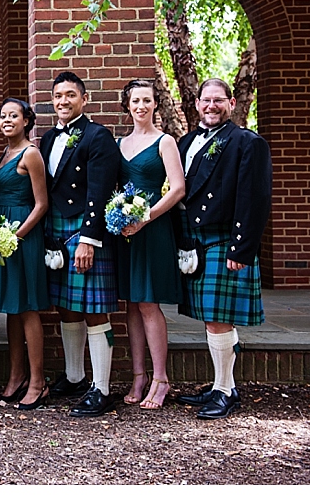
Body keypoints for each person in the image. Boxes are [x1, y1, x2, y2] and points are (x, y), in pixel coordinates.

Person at [174, 78, 272, 420]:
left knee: (219, 318)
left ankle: (226, 390)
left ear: (231, 103)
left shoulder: (246, 142)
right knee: (210, 317)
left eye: (219, 100)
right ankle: (219, 385)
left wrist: (241, 249)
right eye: (206, 100)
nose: (211, 106)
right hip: (195, 239)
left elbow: (254, 199)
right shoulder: (186, 142)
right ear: (197, 104)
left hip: (225, 239)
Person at [39, 71, 121, 418]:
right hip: (57, 230)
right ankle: (74, 376)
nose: (63, 101)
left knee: (93, 308)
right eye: (58, 95)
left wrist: (89, 239)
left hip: (83, 231)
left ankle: (101, 388)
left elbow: (99, 190)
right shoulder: (46, 138)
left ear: (83, 99)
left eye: (70, 95)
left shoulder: (98, 136)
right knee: (66, 305)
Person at [114, 80, 186, 410]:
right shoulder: (120, 143)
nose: (141, 105)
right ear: (126, 105)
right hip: (126, 231)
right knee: (131, 303)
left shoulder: (164, 141)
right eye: (135, 100)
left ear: (155, 104)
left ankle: (161, 378)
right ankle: (139, 376)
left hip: (153, 228)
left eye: (147, 100)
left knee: (148, 303)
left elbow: (177, 189)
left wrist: (146, 217)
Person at [0, 98, 51, 410]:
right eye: (2, 116)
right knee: (12, 308)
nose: (6, 120)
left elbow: (41, 204)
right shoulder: (5, 153)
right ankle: (16, 376)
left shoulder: (31, 154)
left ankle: (38, 382)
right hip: (2, 235)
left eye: (13, 116)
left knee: (27, 308)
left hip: (23, 236)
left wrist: (15, 236)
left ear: (27, 120)